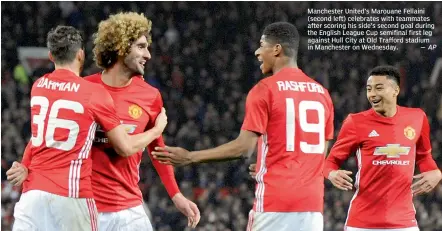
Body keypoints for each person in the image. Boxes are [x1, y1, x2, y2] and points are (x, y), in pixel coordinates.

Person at [152, 22, 334, 231]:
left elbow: (243, 149)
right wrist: (270, 165)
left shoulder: (265, 89)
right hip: (312, 207)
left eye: (262, 45)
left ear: (277, 49)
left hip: (275, 203)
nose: (257, 52)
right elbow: (320, 155)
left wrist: (191, 157)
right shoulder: (322, 94)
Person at [6, 25, 168, 231]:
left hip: (32, 196)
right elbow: (125, 148)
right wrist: (156, 130)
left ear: (51, 56)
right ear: (81, 54)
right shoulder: (93, 93)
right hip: (70, 195)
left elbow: (39, 137)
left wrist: (25, 165)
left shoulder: (39, 86)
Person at [86, 12, 199, 230]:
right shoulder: (85, 89)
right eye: (141, 46)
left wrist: (176, 195)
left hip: (130, 209)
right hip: (86, 208)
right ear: (121, 46)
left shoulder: (150, 95)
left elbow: (157, 150)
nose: (148, 54)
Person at [323, 65, 442, 231]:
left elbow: (424, 157)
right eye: (369, 89)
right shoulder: (355, 122)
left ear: (396, 90)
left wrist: (436, 172)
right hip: (362, 223)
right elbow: (330, 162)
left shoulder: (417, 118)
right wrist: (332, 173)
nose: (372, 94)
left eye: (379, 88)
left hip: (404, 223)